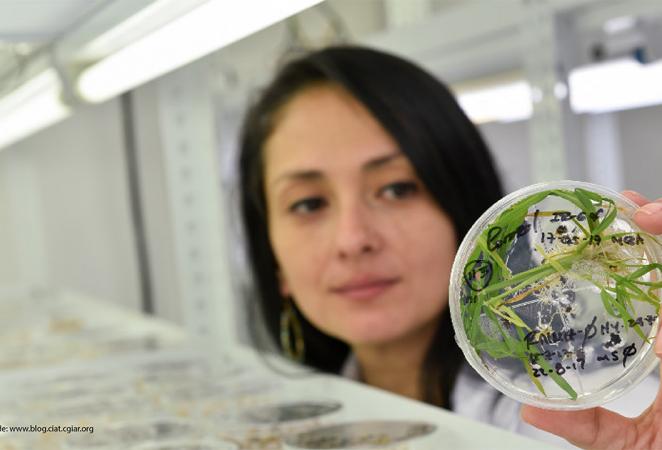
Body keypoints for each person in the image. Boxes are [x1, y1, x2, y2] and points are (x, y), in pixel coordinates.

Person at [237, 45, 662, 449]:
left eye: (397, 189)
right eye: (308, 203)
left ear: (469, 214)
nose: (353, 239)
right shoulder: (284, 419)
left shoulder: (608, 416)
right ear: (272, 256)